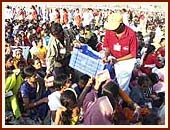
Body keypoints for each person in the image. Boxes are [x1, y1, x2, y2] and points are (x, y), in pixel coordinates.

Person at [103, 13, 138, 94]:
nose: (113, 30)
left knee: (123, 84)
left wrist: (118, 60)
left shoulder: (131, 34)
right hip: (114, 57)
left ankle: (123, 99)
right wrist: (106, 56)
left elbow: (133, 54)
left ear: (122, 25)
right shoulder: (109, 31)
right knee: (116, 78)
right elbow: (107, 46)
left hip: (126, 61)